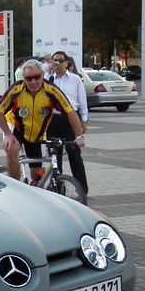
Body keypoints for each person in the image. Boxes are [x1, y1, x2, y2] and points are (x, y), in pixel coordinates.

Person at [0, 59, 84, 181]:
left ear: (43, 74)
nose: (33, 82)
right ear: (23, 77)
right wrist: (8, 134)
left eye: (37, 77)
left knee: (36, 177)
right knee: (12, 148)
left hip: (37, 132)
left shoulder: (51, 90)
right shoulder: (16, 89)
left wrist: (79, 136)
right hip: (16, 127)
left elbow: (70, 112)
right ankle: (15, 185)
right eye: (28, 78)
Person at [45, 51, 89, 194]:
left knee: (74, 153)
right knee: (54, 155)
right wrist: (48, 72)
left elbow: (82, 101)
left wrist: (84, 120)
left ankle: (81, 187)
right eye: (54, 61)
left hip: (71, 118)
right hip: (53, 118)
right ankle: (57, 186)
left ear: (66, 63)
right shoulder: (49, 78)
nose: (57, 64)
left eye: (60, 61)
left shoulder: (75, 79)